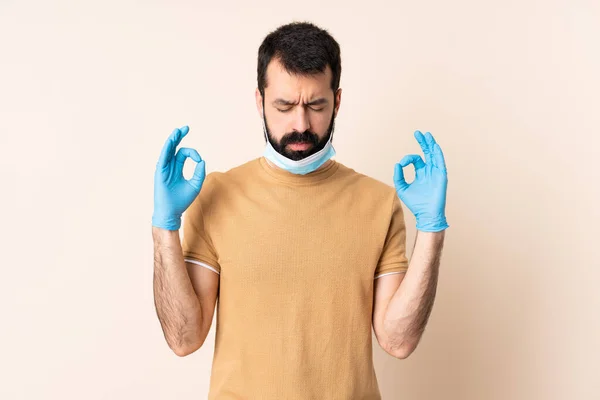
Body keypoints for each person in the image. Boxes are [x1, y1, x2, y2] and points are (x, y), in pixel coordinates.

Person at [151, 21, 449, 400]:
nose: (301, 124)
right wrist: (165, 228)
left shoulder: (379, 203)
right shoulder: (217, 196)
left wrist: (432, 230)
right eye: (284, 106)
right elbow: (184, 338)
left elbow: (399, 341)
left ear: (337, 102)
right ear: (260, 101)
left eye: (316, 105)